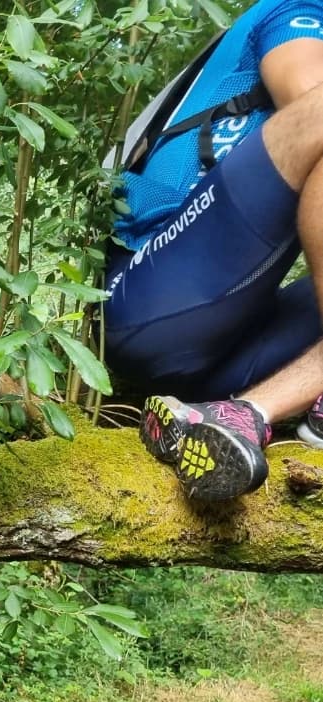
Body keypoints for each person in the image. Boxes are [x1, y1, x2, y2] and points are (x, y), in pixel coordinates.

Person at [103, 0, 323, 501]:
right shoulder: (298, 9)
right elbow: (311, 99)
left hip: (229, 357)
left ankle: (240, 413)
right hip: (149, 295)